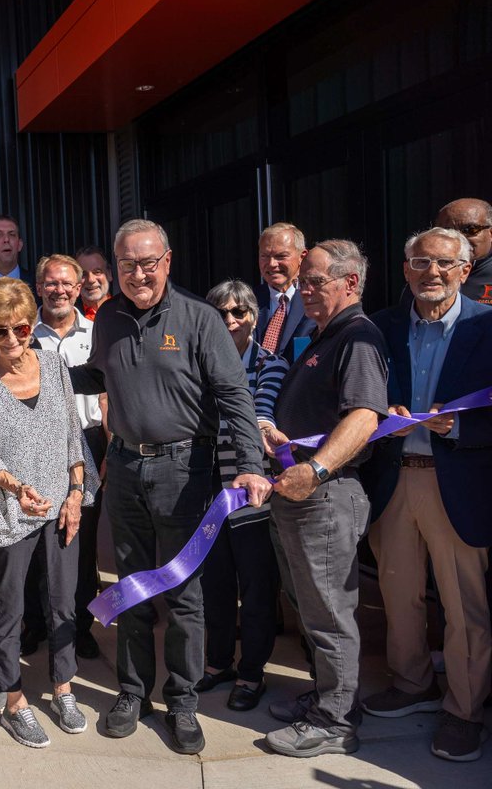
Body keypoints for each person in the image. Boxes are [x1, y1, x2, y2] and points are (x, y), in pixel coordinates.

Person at [68, 219, 270, 756]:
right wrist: (39, 371)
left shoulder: (200, 318)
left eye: (149, 263)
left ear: (168, 261)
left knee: (184, 594)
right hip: (126, 469)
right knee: (133, 587)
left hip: (185, 473)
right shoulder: (108, 317)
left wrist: (250, 463)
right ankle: (132, 693)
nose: (139, 274)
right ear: (115, 268)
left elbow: (235, 396)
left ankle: (182, 702)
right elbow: (98, 374)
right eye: (129, 264)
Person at [360, 228, 492, 762]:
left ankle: (465, 710)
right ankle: (413, 684)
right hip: (395, 477)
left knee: (465, 605)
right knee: (398, 591)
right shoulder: (382, 326)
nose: (430, 272)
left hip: (456, 480)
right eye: (419, 262)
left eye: (443, 263)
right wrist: (377, 419)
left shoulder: (489, 327)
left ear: (465, 270)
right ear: (405, 269)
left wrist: (456, 429)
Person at [260, 239, 387, 758]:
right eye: (304, 281)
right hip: (302, 495)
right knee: (310, 606)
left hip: (326, 496)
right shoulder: (322, 336)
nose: (305, 290)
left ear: (349, 284)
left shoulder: (357, 337)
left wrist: (313, 470)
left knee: (330, 613)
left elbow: (364, 416)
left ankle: (334, 722)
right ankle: (333, 698)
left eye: (316, 281)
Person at [0, 277, 98, 748]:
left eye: (20, 328)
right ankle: (14, 699)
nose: (11, 340)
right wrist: (19, 490)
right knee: (9, 607)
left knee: (64, 601)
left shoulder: (55, 365)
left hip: (63, 504)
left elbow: (71, 436)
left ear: (31, 326)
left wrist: (76, 493)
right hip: (13, 509)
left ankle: (64, 688)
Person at [197, 281, 287, 712]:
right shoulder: (198, 364)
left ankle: (252, 673)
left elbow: (260, 414)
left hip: (252, 495)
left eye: (239, 312)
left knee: (255, 589)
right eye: (220, 314)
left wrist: (257, 427)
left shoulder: (271, 364)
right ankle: (218, 664)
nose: (230, 321)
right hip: (207, 492)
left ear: (254, 316)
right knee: (214, 585)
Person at [32, 254, 106, 661]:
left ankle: (80, 625)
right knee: (36, 536)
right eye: (50, 283)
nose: (58, 290)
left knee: (84, 539)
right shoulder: (26, 334)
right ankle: (36, 622)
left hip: (89, 443)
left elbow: (109, 394)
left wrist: (110, 450)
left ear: (79, 289)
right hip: (38, 446)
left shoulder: (97, 333)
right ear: (39, 286)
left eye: (66, 284)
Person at [254, 223, 315, 362]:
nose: (271, 264)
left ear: (302, 256)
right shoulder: (247, 301)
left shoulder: (316, 301)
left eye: (281, 256)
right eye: (264, 256)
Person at [435, 198, 492, 305]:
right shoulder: (424, 271)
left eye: (470, 229)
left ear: (491, 233)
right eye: (448, 231)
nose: (458, 238)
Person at [74, 246, 112, 320]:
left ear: (109, 274)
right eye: (83, 274)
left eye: (97, 272)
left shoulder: (126, 310)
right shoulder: (69, 316)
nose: (91, 280)